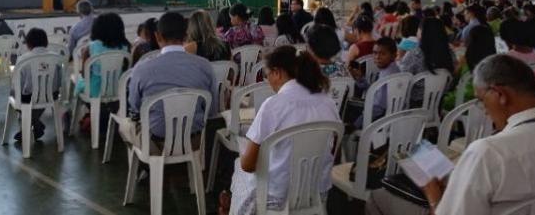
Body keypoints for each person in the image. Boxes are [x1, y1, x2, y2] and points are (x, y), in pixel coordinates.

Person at [366, 54, 535, 215]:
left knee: (377, 197)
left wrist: (433, 194)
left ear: (500, 95)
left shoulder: (489, 152)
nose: (483, 110)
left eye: (481, 100)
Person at [229, 45, 339, 215]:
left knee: (240, 165)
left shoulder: (273, 105)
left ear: (277, 72)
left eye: (268, 75)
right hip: (317, 192)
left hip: (278, 197)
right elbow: (332, 149)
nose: (269, 80)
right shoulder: (328, 102)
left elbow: (248, 165)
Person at [126, 12, 218, 151]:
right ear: (186, 35)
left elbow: (135, 107)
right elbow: (211, 111)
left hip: (155, 142)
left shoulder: (142, 68)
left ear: (158, 36)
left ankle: (145, 166)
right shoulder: (205, 66)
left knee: (125, 126)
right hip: (194, 140)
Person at [12, 28, 62, 142]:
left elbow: (17, 85)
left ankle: (30, 127)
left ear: (28, 44)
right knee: (42, 95)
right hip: (51, 95)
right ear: (46, 42)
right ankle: (36, 124)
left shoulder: (22, 59)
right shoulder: (56, 57)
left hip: (28, 97)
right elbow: (60, 82)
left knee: (15, 95)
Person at [399, 17, 455, 107]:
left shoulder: (414, 53)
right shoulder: (449, 53)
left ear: (421, 32)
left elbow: (402, 79)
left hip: (415, 105)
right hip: (439, 103)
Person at [75, 13, 130, 98]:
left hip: (95, 90)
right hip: (119, 89)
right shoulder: (126, 46)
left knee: (77, 83)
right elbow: (127, 70)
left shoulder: (90, 47)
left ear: (96, 29)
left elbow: (84, 75)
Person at [442, 24, 496, 111]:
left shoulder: (467, 61)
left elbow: (454, 78)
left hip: (461, 104)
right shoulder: (495, 64)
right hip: (486, 104)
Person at [352, 37, 401, 129]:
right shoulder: (394, 69)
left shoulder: (386, 76)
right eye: (375, 53)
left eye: (383, 54)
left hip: (378, 119)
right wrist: (360, 79)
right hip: (391, 115)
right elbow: (377, 91)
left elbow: (378, 107)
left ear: (394, 55)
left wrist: (358, 123)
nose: (377, 57)